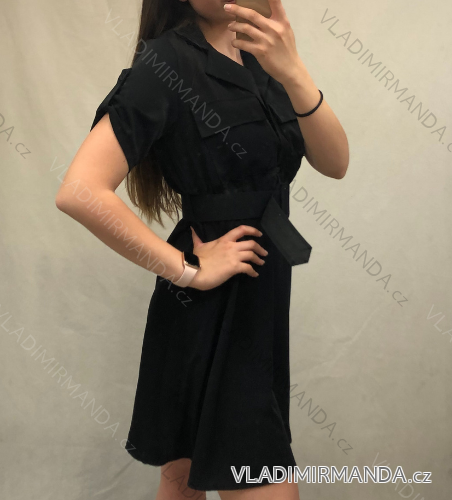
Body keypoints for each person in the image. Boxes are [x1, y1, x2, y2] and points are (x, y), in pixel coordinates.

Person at [55, 0, 349, 498]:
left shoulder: (262, 54)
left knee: (183, 480)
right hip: (207, 313)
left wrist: (293, 69)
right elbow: (79, 191)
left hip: (259, 307)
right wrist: (189, 270)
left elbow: (335, 162)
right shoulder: (167, 62)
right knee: (257, 477)